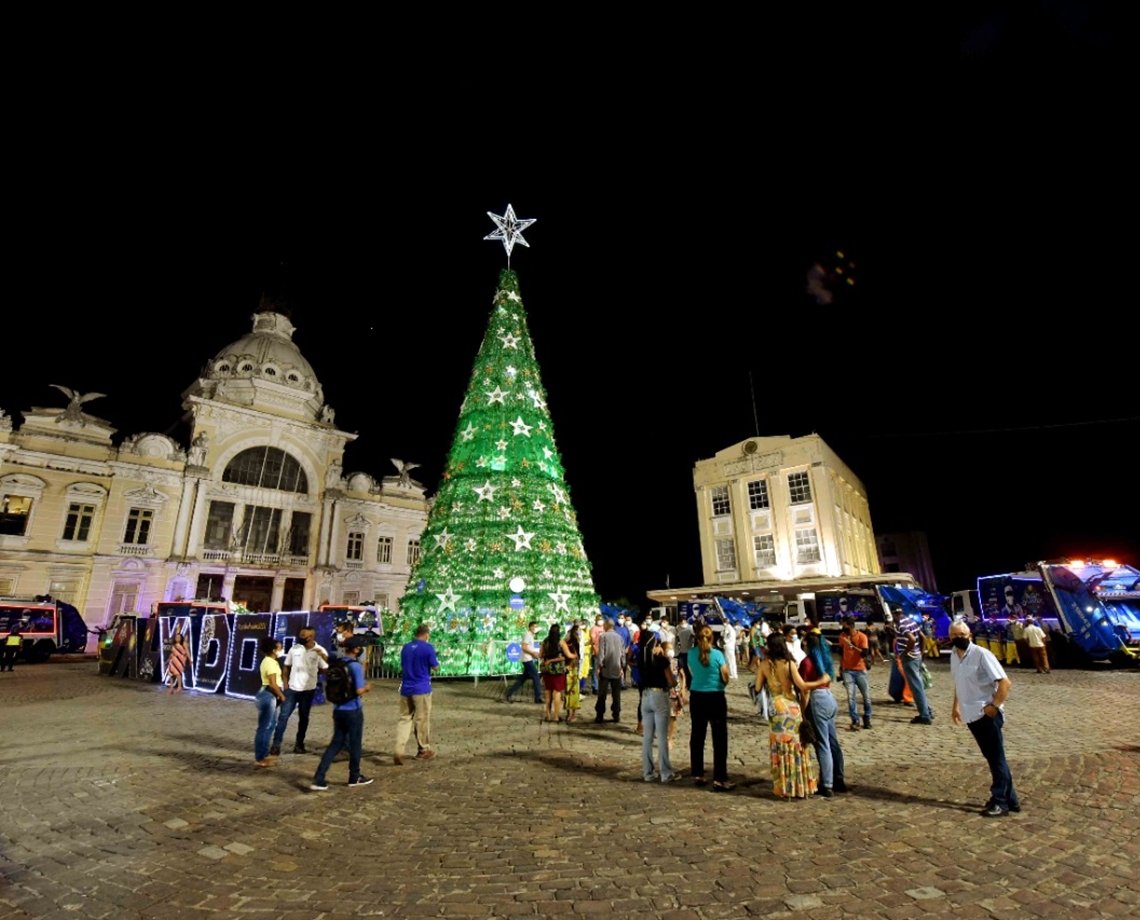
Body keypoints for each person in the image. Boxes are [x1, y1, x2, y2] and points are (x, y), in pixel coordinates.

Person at [949, 621, 1021, 817]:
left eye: (962, 634)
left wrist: (994, 707)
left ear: (969, 634)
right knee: (994, 757)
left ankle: (1000, 801)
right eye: (954, 635)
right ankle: (1011, 799)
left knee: (996, 758)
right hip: (969, 714)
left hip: (986, 714)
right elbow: (958, 683)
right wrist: (955, 706)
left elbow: (1005, 682)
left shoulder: (982, 654)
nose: (958, 638)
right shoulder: (954, 656)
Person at [754, 636, 827, 800]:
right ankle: (800, 785)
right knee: (797, 747)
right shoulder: (790, 664)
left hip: (776, 709)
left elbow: (758, 687)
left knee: (780, 748)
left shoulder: (764, 664)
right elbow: (802, 686)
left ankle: (784, 787)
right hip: (792, 707)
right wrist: (821, 681)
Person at [311, 636, 373, 789]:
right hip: (353, 710)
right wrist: (368, 688)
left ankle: (319, 778)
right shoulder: (355, 666)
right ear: (356, 649)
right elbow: (358, 690)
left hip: (338, 709)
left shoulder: (338, 663)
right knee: (355, 744)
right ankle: (354, 776)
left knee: (335, 744)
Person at [800, 630, 847, 797]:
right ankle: (839, 778)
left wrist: (803, 712)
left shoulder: (806, 662)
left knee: (822, 744)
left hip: (816, 699)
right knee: (833, 742)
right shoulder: (826, 660)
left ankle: (827, 783)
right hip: (829, 698)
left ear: (806, 643)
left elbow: (804, 690)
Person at [687, 625, 733, 791]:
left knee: (697, 735)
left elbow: (692, 672)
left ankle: (698, 773)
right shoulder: (717, 655)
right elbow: (725, 675)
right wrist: (722, 682)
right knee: (720, 738)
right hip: (715, 696)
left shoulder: (691, 654)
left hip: (697, 696)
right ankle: (720, 777)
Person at [271, 626, 329, 755]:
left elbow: (325, 668)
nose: (301, 638)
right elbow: (286, 667)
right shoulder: (294, 649)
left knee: (304, 718)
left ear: (312, 637)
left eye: (304, 636)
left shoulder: (319, 651)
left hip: (308, 690)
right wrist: (285, 685)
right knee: (283, 717)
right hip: (292, 689)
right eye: (300, 635)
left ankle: (299, 744)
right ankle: (276, 745)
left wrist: (314, 675)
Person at [639, 621, 680, 783]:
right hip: (658, 695)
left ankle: (648, 773)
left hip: (645, 696)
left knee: (647, 737)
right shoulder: (660, 659)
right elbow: (671, 682)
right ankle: (665, 773)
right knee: (662, 737)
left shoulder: (641, 657)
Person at [394, 624, 439, 764]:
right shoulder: (428, 648)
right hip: (421, 688)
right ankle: (423, 749)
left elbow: (403, 665)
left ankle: (399, 749)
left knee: (404, 719)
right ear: (426, 634)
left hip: (406, 687)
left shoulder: (406, 647)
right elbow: (435, 667)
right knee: (422, 719)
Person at [254, 635, 286, 768]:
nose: (282, 650)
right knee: (265, 726)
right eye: (280, 648)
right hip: (269, 696)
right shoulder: (270, 662)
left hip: (268, 695)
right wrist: (282, 695)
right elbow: (272, 683)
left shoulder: (269, 661)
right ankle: (261, 757)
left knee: (270, 725)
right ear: (273, 649)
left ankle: (264, 756)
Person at [837, 616, 872, 730]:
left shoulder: (862, 637)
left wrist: (852, 645)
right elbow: (841, 653)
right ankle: (855, 720)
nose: (843, 628)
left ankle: (867, 718)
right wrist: (840, 668)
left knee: (866, 697)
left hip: (860, 670)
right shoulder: (842, 636)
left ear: (851, 626)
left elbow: (864, 653)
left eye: (844, 625)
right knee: (850, 697)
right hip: (847, 670)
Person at [504, 621, 543, 704]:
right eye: (534, 626)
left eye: (536, 627)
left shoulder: (531, 635)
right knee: (536, 675)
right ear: (530, 627)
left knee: (522, 679)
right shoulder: (528, 635)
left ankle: (509, 693)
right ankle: (537, 697)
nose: (535, 628)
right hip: (527, 659)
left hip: (528, 658)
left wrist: (533, 654)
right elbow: (524, 647)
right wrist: (532, 653)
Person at [594, 619, 624, 723]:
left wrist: (599, 666)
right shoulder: (619, 637)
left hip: (606, 668)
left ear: (606, 625)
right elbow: (622, 653)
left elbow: (601, 652)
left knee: (602, 694)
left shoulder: (603, 636)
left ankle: (600, 715)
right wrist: (622, 666)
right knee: (616, 694)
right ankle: (616, 714)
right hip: (617, 668)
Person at [539, 624, 569, 722]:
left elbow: (540, 655)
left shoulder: (545, 642)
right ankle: (556, 717)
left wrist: (547, 659)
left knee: (548, 692)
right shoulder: (561, 642)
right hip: (558, 671)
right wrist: (574, 655)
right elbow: (567, 655)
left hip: (547, 670)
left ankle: (548, 715)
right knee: (557, 693)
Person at [564, 623, 583, 723]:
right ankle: (572, 714)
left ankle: (570, 714)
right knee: (572, 692)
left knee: (568, 691)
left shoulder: (567, 643)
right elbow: (576, 657)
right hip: (572, 669)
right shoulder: (572, 644)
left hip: (569, 669)